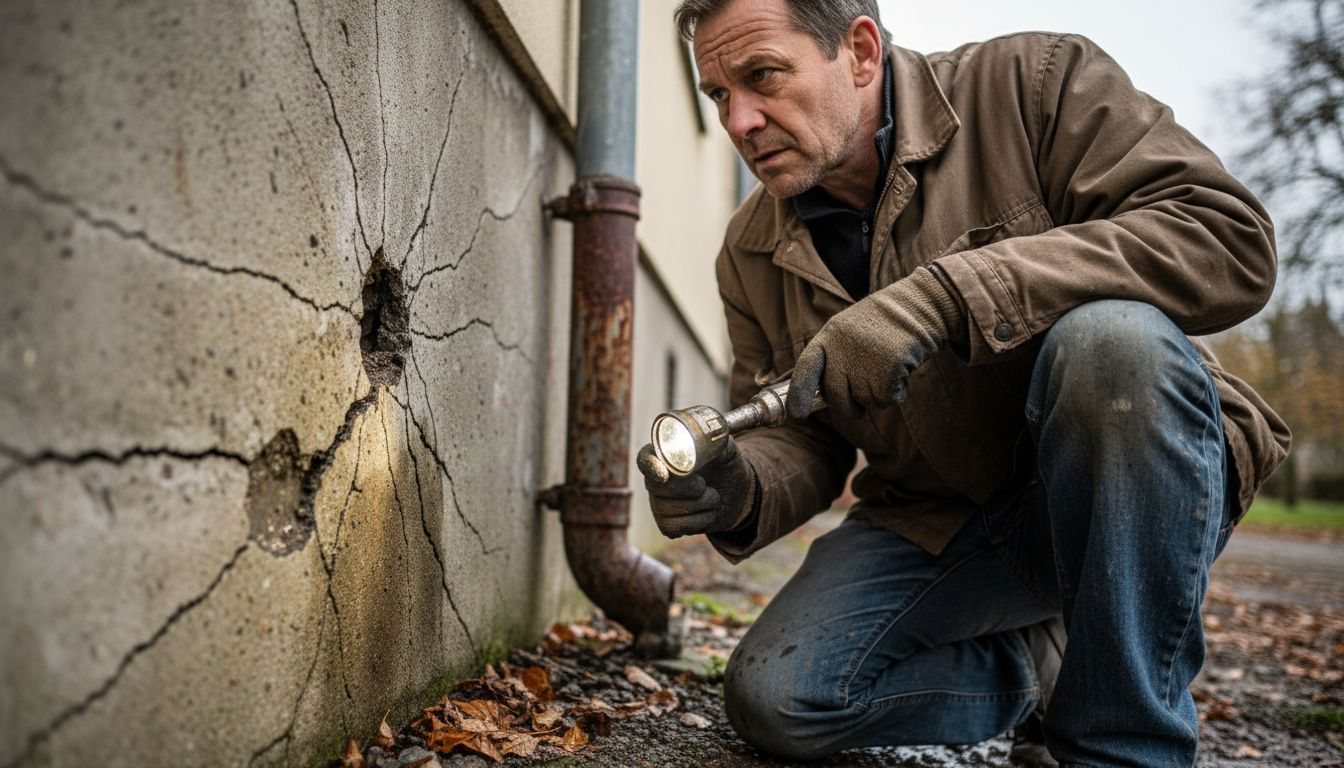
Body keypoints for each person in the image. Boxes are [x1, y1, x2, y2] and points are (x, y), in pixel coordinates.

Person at [635, 0, 1292, 766]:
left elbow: (1226, 235)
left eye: (762, 77)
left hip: (1126, 484)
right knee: (780, 698)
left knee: (1113, 343)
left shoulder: (1034, 86)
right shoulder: (749, 250)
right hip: (940, 519)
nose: (739, 120)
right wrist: (738, 485)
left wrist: (952, 296)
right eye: (716, 94)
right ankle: (1038, 666)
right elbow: (804, 435)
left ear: (860, 50)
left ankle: (1120, 746)